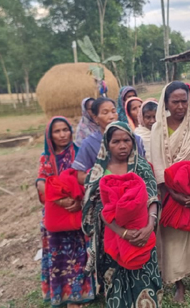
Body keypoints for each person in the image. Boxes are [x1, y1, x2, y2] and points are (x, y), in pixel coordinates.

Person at [81, 121, 163, 307]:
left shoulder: (141, 167)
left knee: (143, 275)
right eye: (116, 141)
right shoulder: (98, 172)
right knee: (116, 279)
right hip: (111, 236)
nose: (122, 145)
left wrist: (149, 226)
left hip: (142, 231)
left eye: (127, 140)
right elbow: (96, 209)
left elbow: (152, 197)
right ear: (107, 144)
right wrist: (121, 232)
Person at [150, 81, 190, 303]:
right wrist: (173, 193)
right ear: (166, 103)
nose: (180, 105)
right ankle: (178, 282)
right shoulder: (158, 128)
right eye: (175, 101)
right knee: (172, 237)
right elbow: (158, 165)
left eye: (184, 101)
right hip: (170, 193)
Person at [36, 117, 94, 307]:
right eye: (57, 131)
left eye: (65, 130)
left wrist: (79, 201)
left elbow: (88, 177)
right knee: (58, 256)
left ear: (71, 131)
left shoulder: (80, 153)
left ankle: (81, 293)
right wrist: (60, 199)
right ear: (49, 135)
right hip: (56, 214)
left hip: (79, 210)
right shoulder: (46, 158)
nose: (62, 135)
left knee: (80, 254)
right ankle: (63, 295)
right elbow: (41, 183)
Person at [72, 97, 145, 185]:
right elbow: (81, 177)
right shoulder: (89, 144)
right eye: (105, 113)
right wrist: (109, 182)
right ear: (95, 118)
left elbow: (144, 167)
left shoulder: (134, 139)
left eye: (114, 111)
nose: (111, 116)